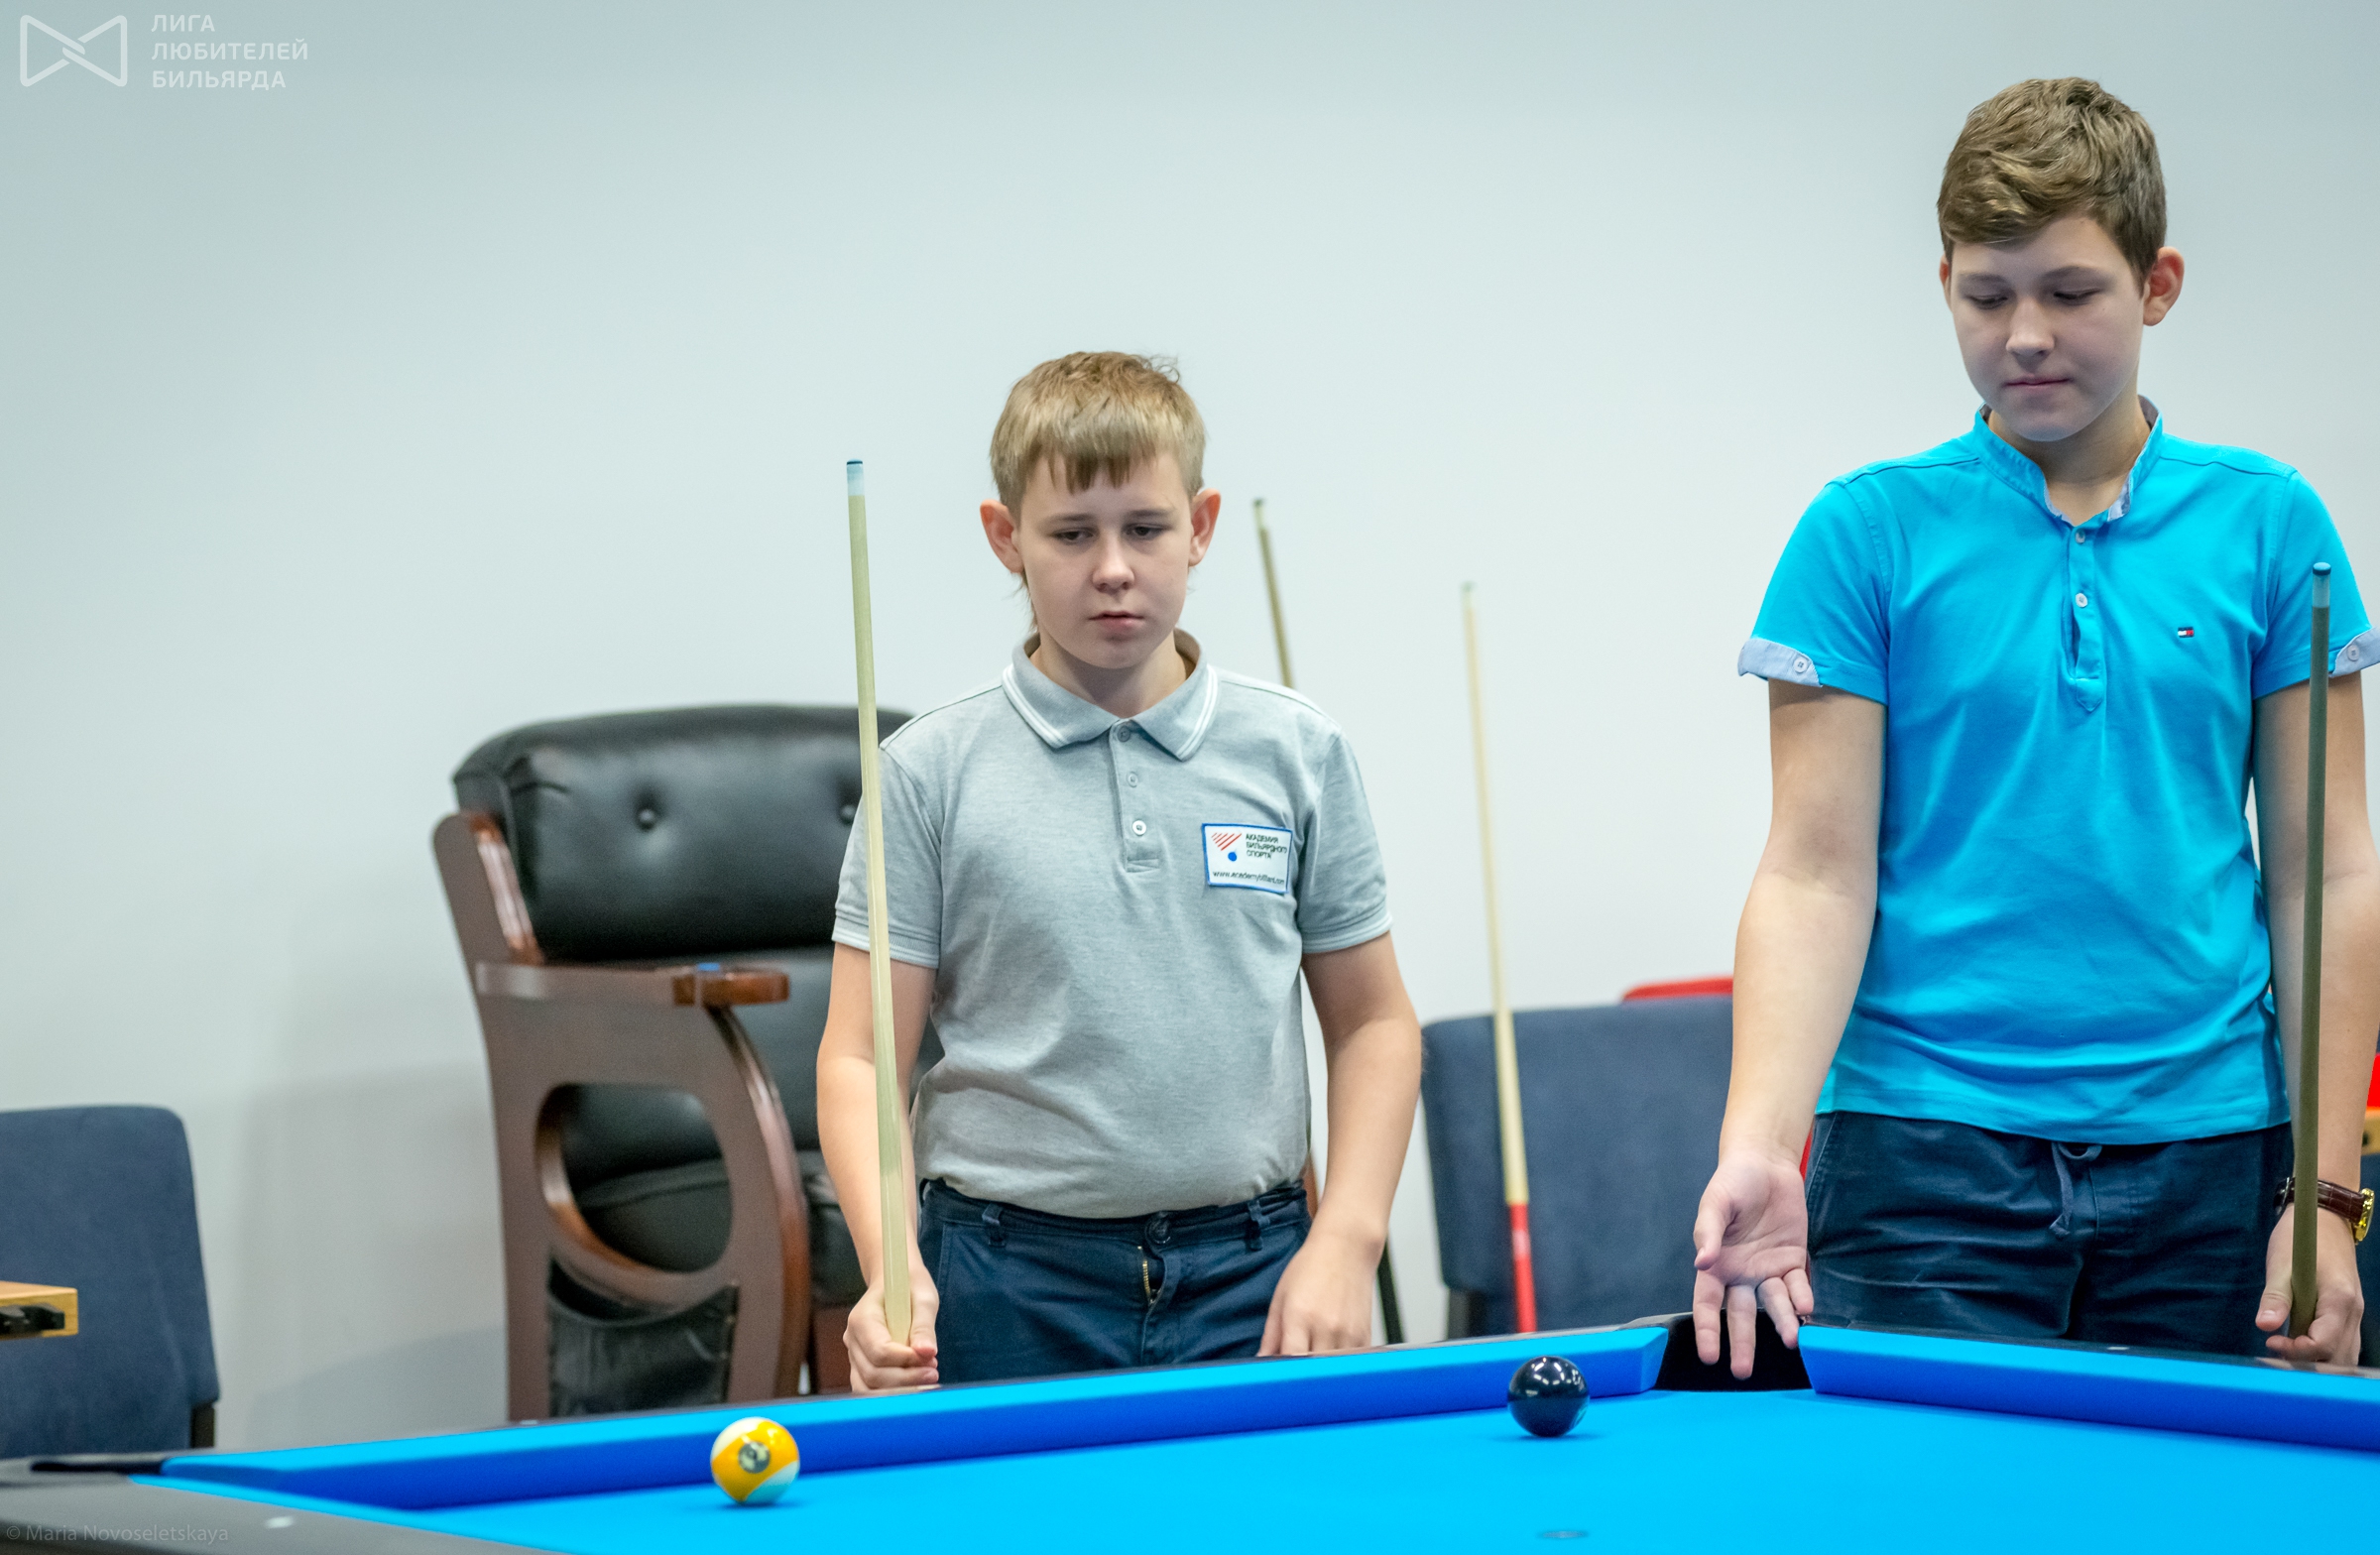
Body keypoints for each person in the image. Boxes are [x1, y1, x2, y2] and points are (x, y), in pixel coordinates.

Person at [1693, 78, 2380, 1373]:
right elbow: (1814, 875)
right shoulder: (1863, 533)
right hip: (1921, 1155)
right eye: (1987, 294)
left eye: (2070, 293)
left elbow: (2326, 875)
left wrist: (2330, 1198)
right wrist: (1758, 1143)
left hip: (2211, 1156)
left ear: (2158, 284)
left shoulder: (2273, 525)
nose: (2024, 335)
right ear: (1944, 282)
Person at [817, 351, 1423, 1390]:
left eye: (1146, 528)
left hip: (1256, 1271)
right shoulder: (927, 771)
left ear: (1202, 525)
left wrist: (1348, 1238)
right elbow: (862, 1056)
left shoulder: (1297, 751)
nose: (1113, 567)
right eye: (1070, 533)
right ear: (1005, 536)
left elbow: (1373, 1022)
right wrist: (889, 1265)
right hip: (1006, 1277)